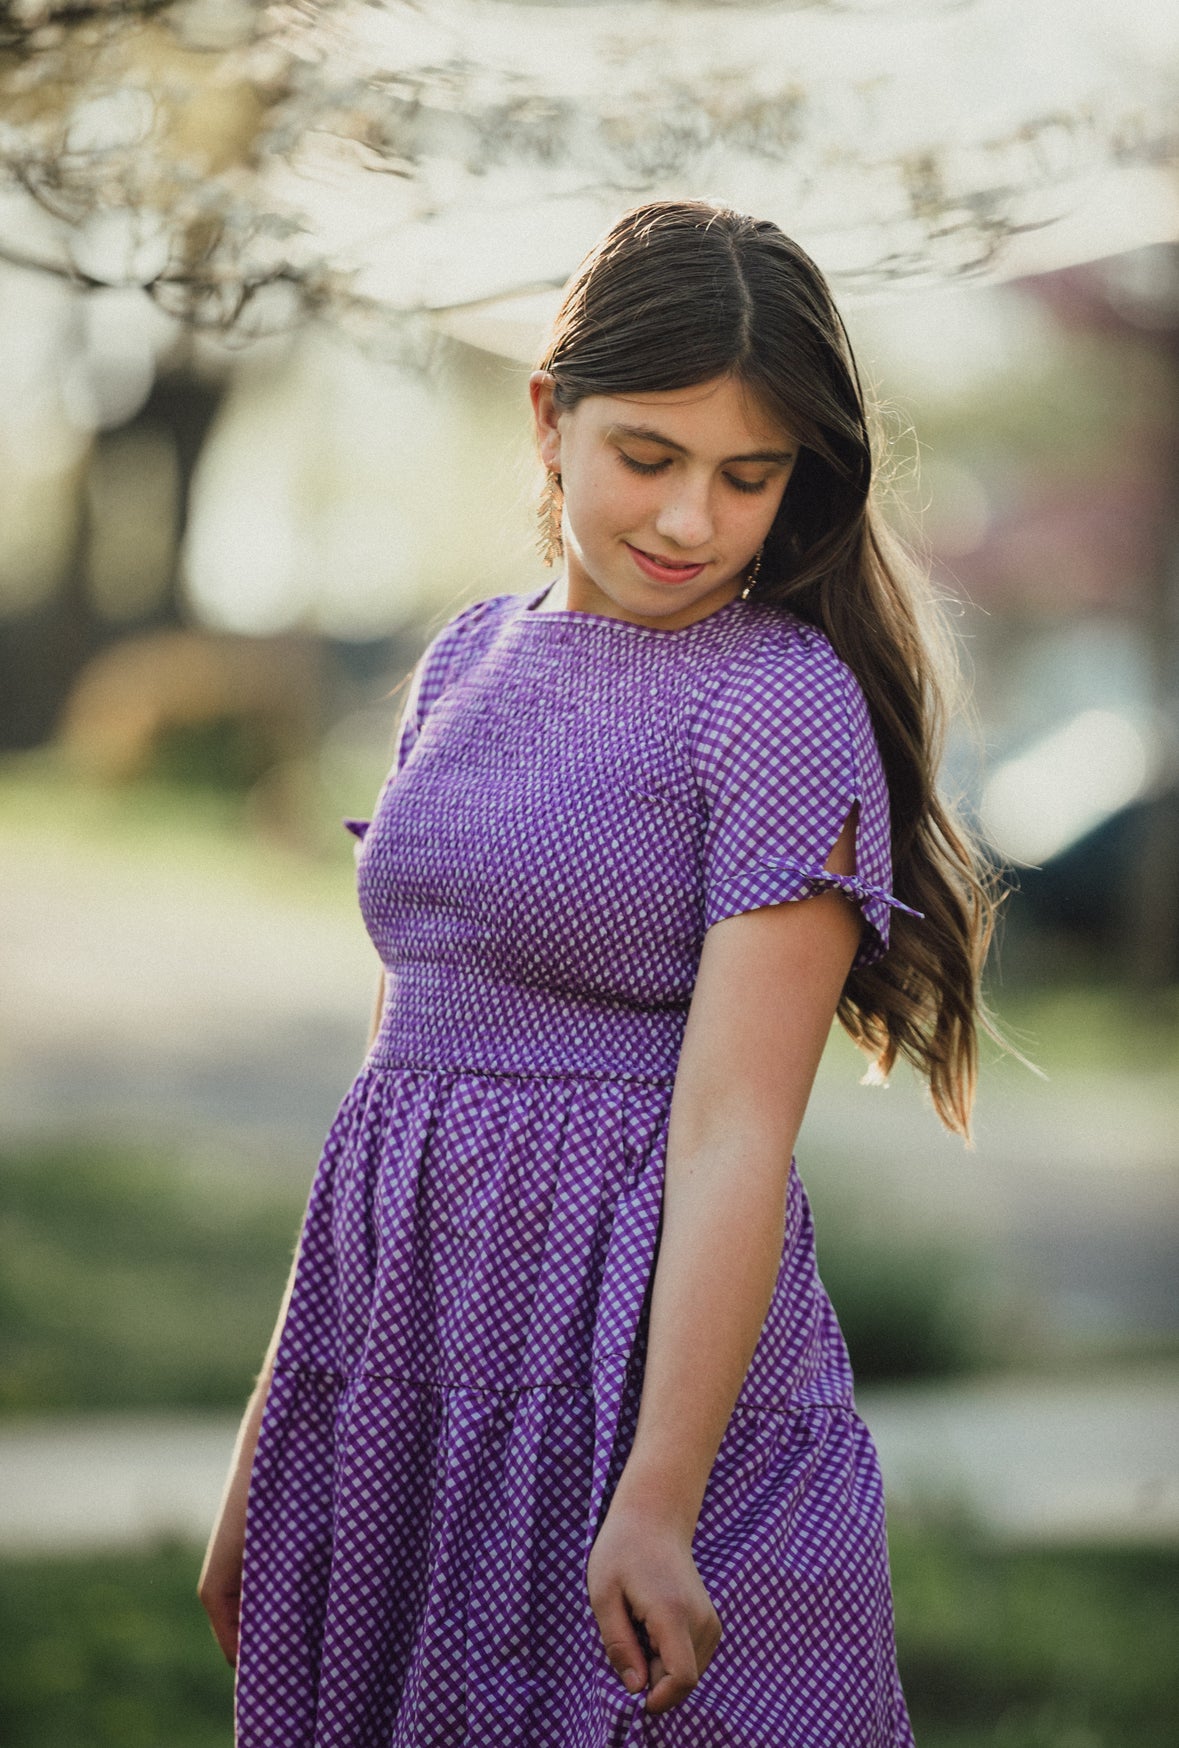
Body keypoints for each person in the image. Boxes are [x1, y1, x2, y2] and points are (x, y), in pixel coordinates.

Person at [200, 197, 1009, 1747]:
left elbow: (730, 1138)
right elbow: (392, 1077)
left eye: (748, 476)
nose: (693, 520)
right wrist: (272, 1443)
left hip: (621, 1367)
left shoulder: (776, 709)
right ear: (549, 419)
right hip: (403, 1352)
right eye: (650, 455)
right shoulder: (461, 661)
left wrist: (658, 1494)